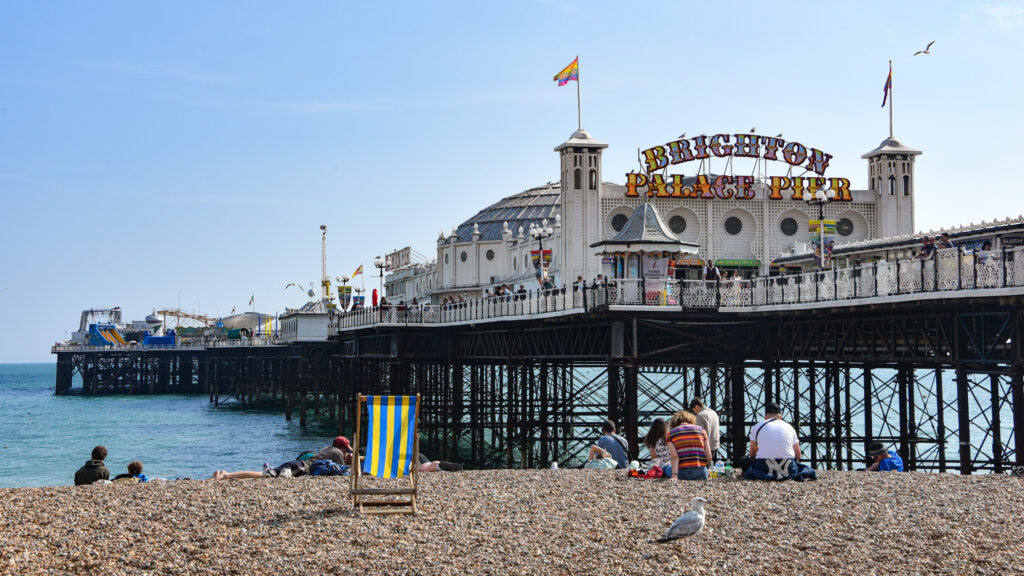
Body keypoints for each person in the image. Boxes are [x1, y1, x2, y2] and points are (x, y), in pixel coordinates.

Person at [744, 402, 816, 481]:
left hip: (764, 467)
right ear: (780, 417)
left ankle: (765, 475)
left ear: (765, 416)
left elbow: (752, 454)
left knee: (743, 461)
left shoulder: (757, 426)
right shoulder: (789, 427)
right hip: (788, 467)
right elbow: (798, 455)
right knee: (803, 468)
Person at [666, 410, 711, 481]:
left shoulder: (670, 434)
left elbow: (674, 456)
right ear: (690, 419)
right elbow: (709, 457)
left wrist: (674, 476)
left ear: (674, 422)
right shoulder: (702, 430)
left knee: (666, 468)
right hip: (701, 473)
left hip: (682, 473)